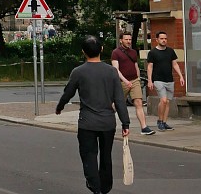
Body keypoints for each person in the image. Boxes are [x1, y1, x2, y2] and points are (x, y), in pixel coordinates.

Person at [56, 34, 129, 194]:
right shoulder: (112, 72)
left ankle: (95, 187)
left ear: (83, 52)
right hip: (107, 122)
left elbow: (68, 93)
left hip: (87, 122)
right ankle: (105, 187)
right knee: (106, 156)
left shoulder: (78, 72)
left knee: (88, 155)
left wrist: (60, 107)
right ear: (101, 49)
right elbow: (119, 99)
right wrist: (125, 123)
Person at [111, 31, 155, 135]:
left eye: (130, 39)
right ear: (121, 40)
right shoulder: (116, 53)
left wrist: (138, 78)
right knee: (117, 104)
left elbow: (135, 66)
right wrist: (125, 81)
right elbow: (115, 69)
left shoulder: (133, 52)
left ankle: (144, 127)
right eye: (126, 39)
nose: (128, 41)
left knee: (138, 102)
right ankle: (107, 121)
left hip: (134, 80)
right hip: (122, 82)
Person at [146, 29, 185, 131]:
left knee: (167, 102)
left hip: (169, 79)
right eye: (162, 38)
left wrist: (180, 76)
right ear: (157, 40)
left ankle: (164, 122)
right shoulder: (152, 52)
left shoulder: (170, 51)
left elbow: (175, 64)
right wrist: (150, 80)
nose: (164, 40)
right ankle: (159, 121)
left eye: (165, 39)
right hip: (158, 79)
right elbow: (150, 67)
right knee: (163, 100)